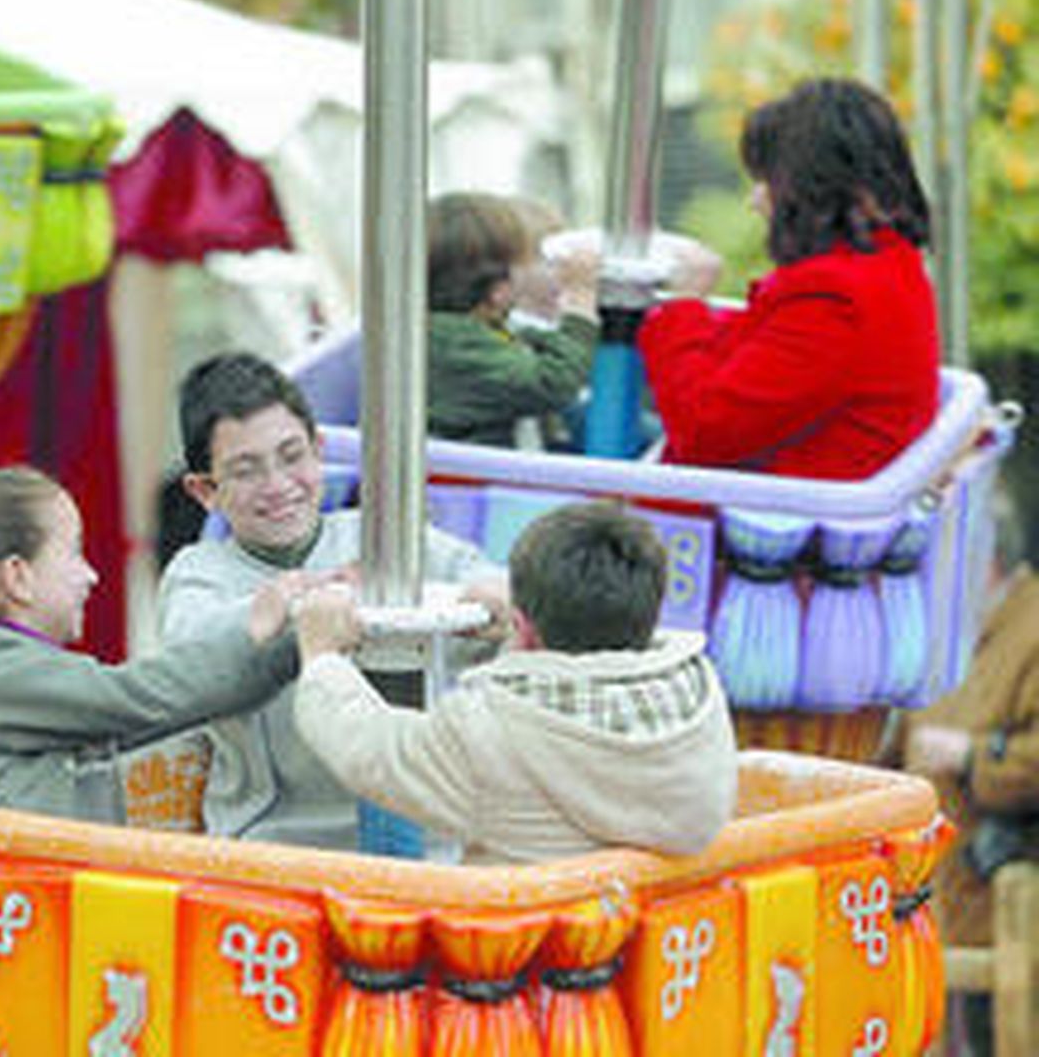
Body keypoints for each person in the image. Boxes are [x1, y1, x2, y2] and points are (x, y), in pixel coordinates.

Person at [159, 352, 510, 850]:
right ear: (204, 491)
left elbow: (484, 578)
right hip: (278, 847)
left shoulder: (387, 541)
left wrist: (494, 597)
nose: (278, 486)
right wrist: (287, 603)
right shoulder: (200, 573)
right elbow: (191, 649)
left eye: (291, 456)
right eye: (245, 470)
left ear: (319, 450)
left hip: (429, 842)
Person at [293, 501, 737, 865]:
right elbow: (585, 675)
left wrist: (322, 657)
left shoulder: (486, 732)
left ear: (523, 626)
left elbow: (376, 754)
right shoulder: (701, 695)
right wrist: (519, 635)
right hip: (656, 952)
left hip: (525, 959)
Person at [0, 466, 305, 821]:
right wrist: (286, 639)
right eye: (73, 552)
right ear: (17, 577)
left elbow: (131, 722)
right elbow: (143, 697)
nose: (91, 575)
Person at [639, 77, 939, 480]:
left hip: (750, 525)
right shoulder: (888, 263)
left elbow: (704, 431)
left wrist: (683, 307)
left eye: (766, 181)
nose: (756, 201)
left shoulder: (831, 300)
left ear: (810, 187)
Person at [889, 492, 1039, 1057]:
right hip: (935, 904)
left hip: (1009, 905)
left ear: (984, 560)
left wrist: (973, 756)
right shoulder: (951, 632)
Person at [425, 192, 600, 449]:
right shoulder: (454, 343)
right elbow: (553, 383)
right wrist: (581, 303)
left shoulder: (469, 329)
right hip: (466, 481)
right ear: (498, 287)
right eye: (527, 262)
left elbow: (529, 341)